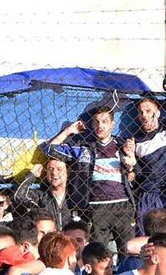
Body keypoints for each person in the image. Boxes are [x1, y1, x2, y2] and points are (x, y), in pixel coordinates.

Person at [44, 107, 137, 254]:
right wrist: (68, 131)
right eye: (97, 122)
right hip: (96, 208)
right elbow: (50, 149)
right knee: (98, 255)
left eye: (105, 121)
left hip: (122, 206)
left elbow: (134, 178)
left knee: (129, 252)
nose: (100, 126)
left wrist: (131, 163)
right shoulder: (84, 149)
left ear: (113, 124)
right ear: (92, 125)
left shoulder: (123, 146)